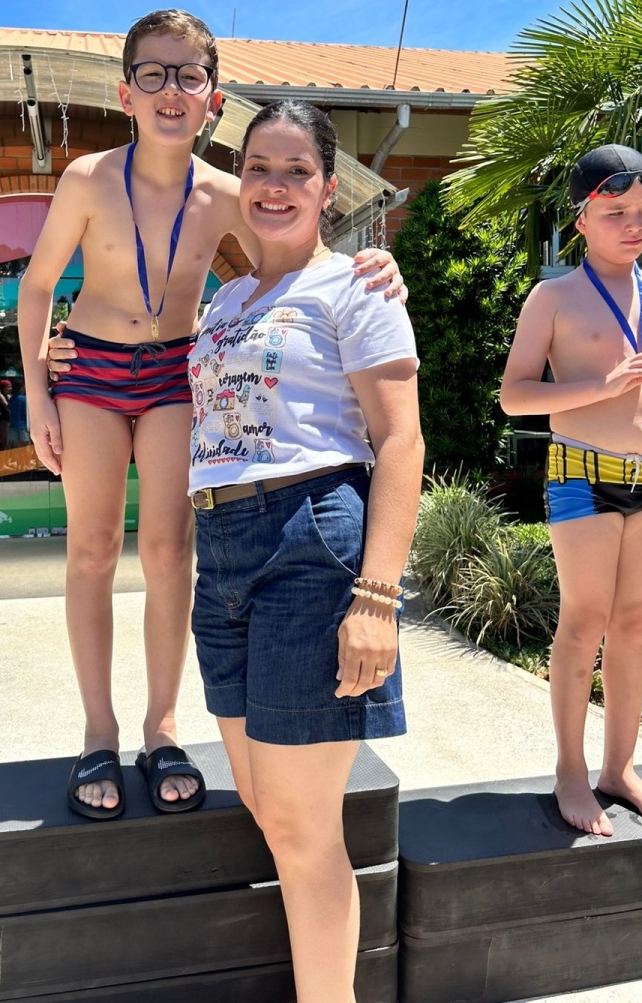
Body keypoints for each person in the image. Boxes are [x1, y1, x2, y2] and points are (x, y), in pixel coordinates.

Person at [19, 8, 403, 821]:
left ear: (213, 100)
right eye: (153, 73)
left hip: (173, 373)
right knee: (91, 548)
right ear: (125, 92)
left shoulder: (231, 193)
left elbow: (291, 265)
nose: (171, 89)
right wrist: (36, 390)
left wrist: (374, 265)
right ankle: (98, 730)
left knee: (168, 552)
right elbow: (37, 284)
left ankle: (162, 729)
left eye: (188, 75)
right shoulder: (88, 177)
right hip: (89, 371)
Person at [186, 100, 422, 1003]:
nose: (274, 186)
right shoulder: (225, 300)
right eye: (259, 168)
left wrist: (377, 599)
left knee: (300, 823)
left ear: (328, 189)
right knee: (266, 804)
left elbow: (400, 440)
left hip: (310, 542)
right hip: (223, 547)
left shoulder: (357, 286)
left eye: (297, 171)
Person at [500, 143, 642, 837]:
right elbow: (515, 396)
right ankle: (571, 772)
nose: (635, 225)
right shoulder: (553, 297)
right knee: (584, 620)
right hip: (583, 474)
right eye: (616, 213)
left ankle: (620, 768)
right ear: (581, 221)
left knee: (636, 624)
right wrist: (603, 387)